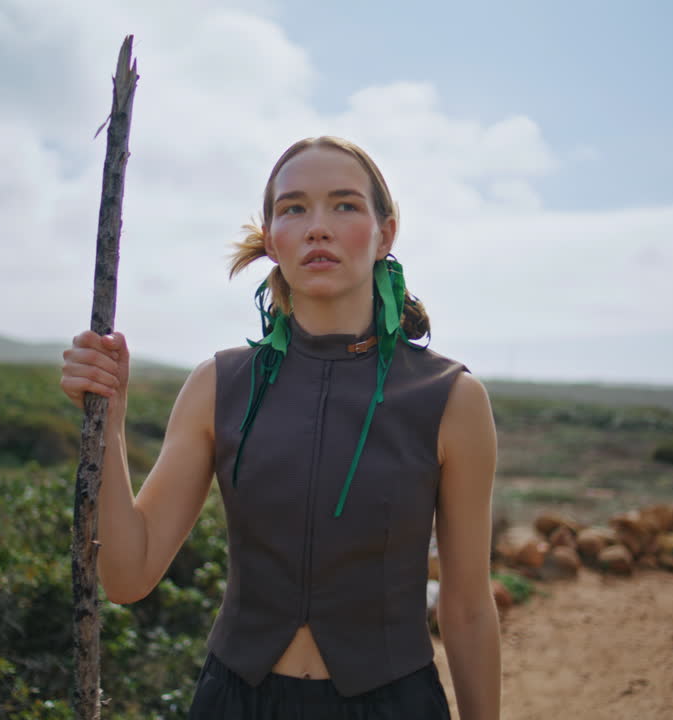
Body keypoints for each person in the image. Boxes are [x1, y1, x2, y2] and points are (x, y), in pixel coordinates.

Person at [61, 136, 501, 719]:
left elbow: (467, 606)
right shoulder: (217, 386)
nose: (318, 226)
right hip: (234, 703)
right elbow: (128, 574)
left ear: (385, 233)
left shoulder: (451, 398)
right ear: (272, 239)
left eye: (344, 205)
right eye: (294, 208)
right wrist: (109, 422)